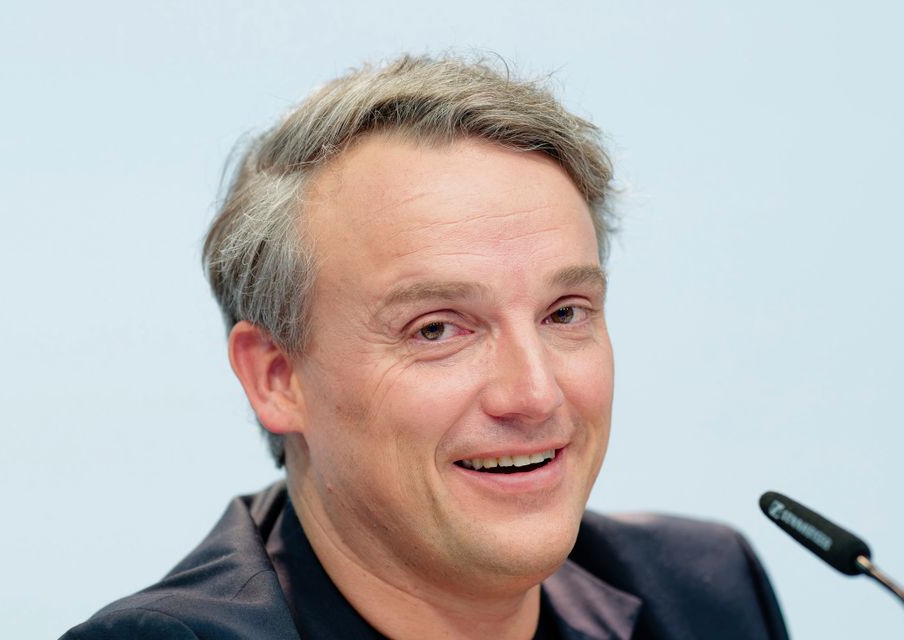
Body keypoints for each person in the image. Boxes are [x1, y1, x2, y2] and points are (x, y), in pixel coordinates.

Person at [62, 55, 789, 639]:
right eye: (437, 329)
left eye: (565, 313)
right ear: (278, 377)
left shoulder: (704, 591)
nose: (535, 394)